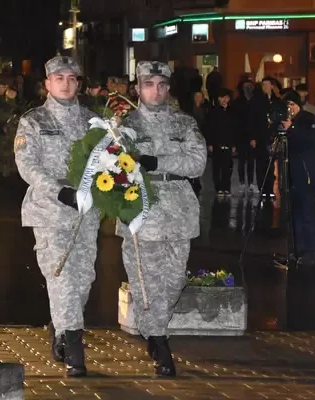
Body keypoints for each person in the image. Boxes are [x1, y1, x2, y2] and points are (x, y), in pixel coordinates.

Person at [118, 61, 207, 376]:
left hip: (179, 212)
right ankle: (159, 339)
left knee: (174, 281)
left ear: (168, 88)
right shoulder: (126, 125)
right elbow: (115, 166)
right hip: (141, 211)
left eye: (162, 85)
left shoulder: (184, 124)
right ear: (138, 88)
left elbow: (197, 163)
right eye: (149, 84)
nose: (156, 90)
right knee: (145, 284)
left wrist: (155, 161)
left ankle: (155, 331)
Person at [14, 56, 99, 377]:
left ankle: (61, 326)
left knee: (84, 279)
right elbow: (28, 165)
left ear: (78, 83)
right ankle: (75, 347)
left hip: (86, 211)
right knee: (61, 276)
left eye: (71, 78)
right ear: (47, 84)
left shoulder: (94, 122)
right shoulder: (33, 121)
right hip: (51, 210)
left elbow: (109, 161)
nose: (65, 83)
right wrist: (58, 191)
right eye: (58, 78)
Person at [280, 91, 315, 265]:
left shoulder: (308, 119)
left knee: (306, 213)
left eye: (292, 104)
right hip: (293, 173)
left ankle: (309, 251)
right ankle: (297, 249)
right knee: (294, 214)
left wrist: (291, 128)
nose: (290, 109)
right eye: (287, 105)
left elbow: (312, 141)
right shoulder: (288, 121)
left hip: (307, 173)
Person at [250, 77, 281, 198]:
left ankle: (270, 188)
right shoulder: (256, 101)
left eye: (267, 85)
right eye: (263, 85)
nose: (265, 87)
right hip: (260, 136)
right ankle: (262, 188)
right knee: (261, 163)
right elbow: (252, 120)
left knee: (271, 162)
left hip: (272, 136)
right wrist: (253, 137)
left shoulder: (276, 101)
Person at [206, 88, 236, 196]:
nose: (225, 100)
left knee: (227, 166)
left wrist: (233, 144)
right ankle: (218, 187)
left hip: (228, 142)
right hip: (216, 142)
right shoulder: (213, 111)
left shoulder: (231, 111)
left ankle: (226, 187)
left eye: (227, 98)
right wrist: (209, 143)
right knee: (217, 167)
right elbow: (209, 128)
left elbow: (234, 129)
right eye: (223, 98)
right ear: (219, 99)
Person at [232, 79, 256, 193]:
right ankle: (242, 182)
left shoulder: (254, 101)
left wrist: (254, 136)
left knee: (251, 161)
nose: (248, 89)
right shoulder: (237, 102)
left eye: (250, 86)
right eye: (246, 86)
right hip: (241, 136)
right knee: (242, 160)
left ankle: (251, 182)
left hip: (251, 136)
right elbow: (236, 122)